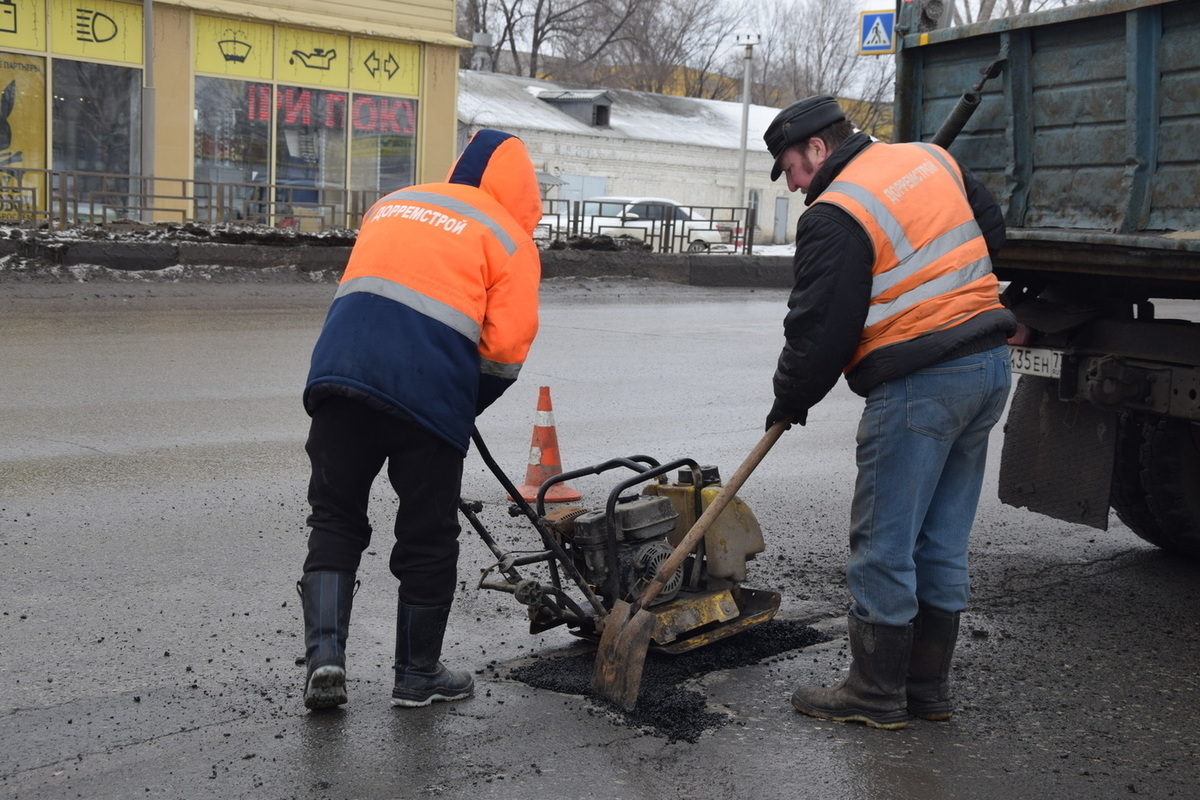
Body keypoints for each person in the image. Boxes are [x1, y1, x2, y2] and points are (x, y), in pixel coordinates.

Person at [762, 96, 1015, 730]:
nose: (793, 184)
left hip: (920, 383)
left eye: (791, 167)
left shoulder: (837, 210)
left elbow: (820, 328)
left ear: (818, 149)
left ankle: (875, 692)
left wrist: (790, 399)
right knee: (942, 539)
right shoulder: (929, 158)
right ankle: (927, 691)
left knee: (883, 543)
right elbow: (994, 235)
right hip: (987, 369)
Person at [297, 129, 543, 711]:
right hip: (427, 396)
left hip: (338, 379)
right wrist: (460, 402)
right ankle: (416, 675)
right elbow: (505, 351)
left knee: (334, 519)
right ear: (524, 191)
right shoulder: (509, 237)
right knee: (428, 536)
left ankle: (325, 660)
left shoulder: (393, 204)